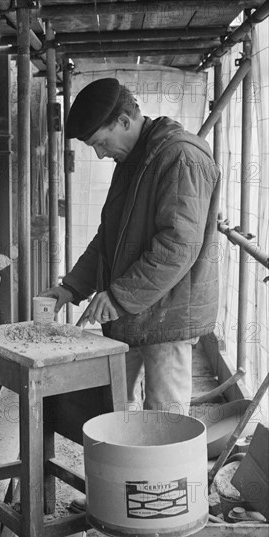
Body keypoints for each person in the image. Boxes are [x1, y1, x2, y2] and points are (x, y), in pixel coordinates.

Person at [42, 78, 220, 415]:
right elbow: (108, 237)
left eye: (101, 142)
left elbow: (177, 247)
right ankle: (123, 467)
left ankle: (167, 469)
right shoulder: (133, 159)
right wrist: (71, 288)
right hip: (135, 314)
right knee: (117, 408)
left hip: (167, 317)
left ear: (124, 121)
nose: (99, 153)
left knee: (164, 422)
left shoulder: (180, 156)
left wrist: (119, 296)